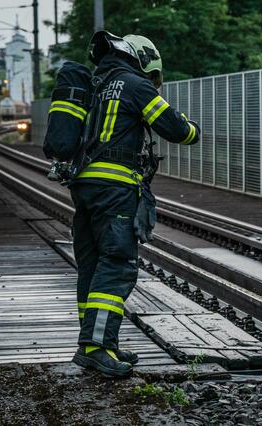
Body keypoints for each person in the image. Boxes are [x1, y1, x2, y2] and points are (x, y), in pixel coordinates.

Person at [69, 31, 200, 377]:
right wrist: (193, 129)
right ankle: (97, 346)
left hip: (83, 186)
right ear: (143, 60)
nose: (154, 82)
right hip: (115, 189)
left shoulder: (96, 83)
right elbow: (174, 128)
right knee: (116, 264)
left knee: (92, 265)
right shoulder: (135, 84)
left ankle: (95, 343)